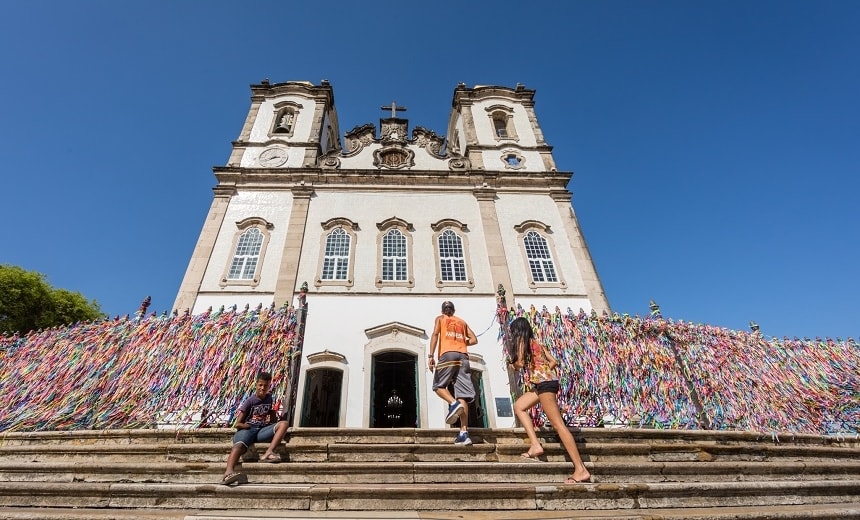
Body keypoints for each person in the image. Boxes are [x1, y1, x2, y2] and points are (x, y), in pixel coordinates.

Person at [508, 316, 591, 484]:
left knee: (558, 425)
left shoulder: (522, 341)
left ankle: (580, 469)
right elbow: (553, 361)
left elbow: (521, 363)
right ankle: (535, 445)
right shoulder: (537, 342)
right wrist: (543, 371)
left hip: (544, 383)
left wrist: (513, 365)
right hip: (544, 382)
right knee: (519, 406)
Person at [221, 371, 286, 485]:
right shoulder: (250, 401)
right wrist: (246, 426)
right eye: (260, 385)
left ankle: (269, 452)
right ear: (256, 385)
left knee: (284, 424)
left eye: (266, 386)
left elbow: (269, 414)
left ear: (269, 386)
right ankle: (228, 472)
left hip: (260, 431)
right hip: (248, 429)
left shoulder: (269, 398)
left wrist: (272, 416)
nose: (263, 388)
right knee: (239, 445)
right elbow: (237, 424)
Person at [428, 300, 477, 446]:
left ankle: (453, 403)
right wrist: (461, 343)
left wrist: (430, 356)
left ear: (443, 310)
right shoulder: (462, 322)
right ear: (453, 310)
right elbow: (474, 340)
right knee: (462, 395)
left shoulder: (440, 319)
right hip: (463, 357)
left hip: (448, 355)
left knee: (438, 386)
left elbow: (435, 335)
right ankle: (464, 433)